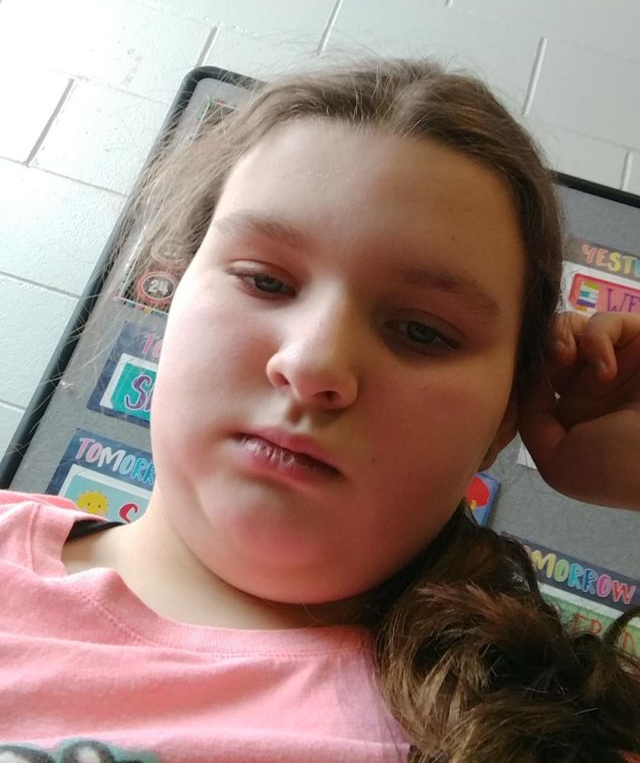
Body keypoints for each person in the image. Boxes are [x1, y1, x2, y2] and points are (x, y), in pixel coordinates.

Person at [0, 58, 639, 763]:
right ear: (171, 295)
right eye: (265, 281)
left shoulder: (545, 738)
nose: (312, 367)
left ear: (504, 419)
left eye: (422, 331)